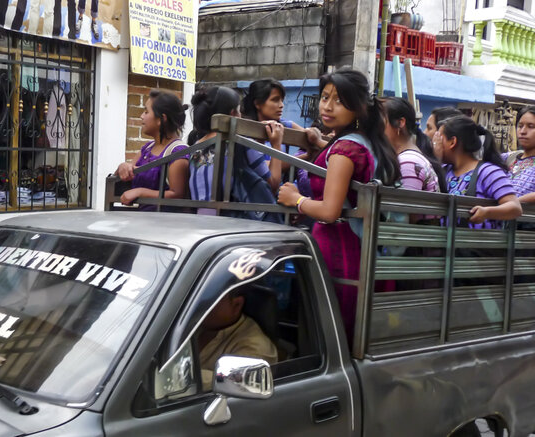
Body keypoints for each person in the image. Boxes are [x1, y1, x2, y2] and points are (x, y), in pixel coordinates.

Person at [276, 67, 401, 343]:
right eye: (325, 97)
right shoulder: (367, 142)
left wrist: (296, 200)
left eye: (339, 101)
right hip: (364, 250)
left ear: (358, 108)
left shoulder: (345, 150)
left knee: (329, 333)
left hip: (339, 253)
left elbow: (330, 211)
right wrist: (320, 143)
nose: (327, 106)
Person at [188, 86, 283, 218]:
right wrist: (276, 145)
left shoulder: (195, 148)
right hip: (231, 223)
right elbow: (272, 185)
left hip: (200, 221)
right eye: (239, 111)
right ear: (233, 114)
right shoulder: (242, 143)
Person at [435, 115, 521, 229]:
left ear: (452, 142)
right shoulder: (444, 170)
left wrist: (487, 212)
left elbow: (515, 208)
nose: (435, 144)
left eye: (439, 139)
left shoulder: (488, 172)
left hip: (477, 240)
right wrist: (436, 159)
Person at [115, 90, 189, 210]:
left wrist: (140, 192)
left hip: (163, 220)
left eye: (146, 112)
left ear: (161, 119)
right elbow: (129, 172)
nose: (141, 116)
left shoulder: (177, 152)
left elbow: (177, 194)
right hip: (142, 218)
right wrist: (123, 166)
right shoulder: (147, 149)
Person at [197, 290, 278, 391]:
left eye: (209, 300)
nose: (198, 305)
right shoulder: (196, 325)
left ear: (237, 305)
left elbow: (236, 383)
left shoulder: (256, 346)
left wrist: (185, 376)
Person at [382, 97, 446, 194]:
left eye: (381, 122)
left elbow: (404, 203)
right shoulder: (408, 159)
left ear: (400, 123)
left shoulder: (409, 162)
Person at [503, 106, 535, 203]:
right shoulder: (507, 158)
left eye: (531, 126)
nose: (523, 131)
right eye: (520, 126)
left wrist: (512, 204)